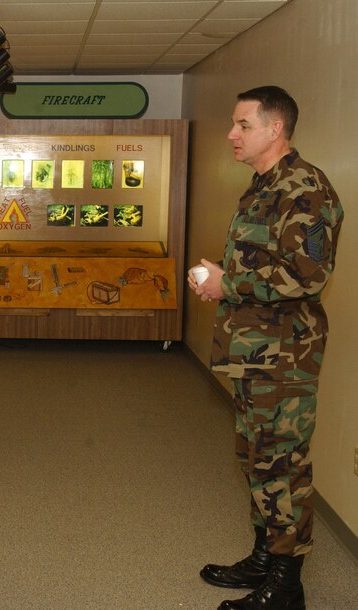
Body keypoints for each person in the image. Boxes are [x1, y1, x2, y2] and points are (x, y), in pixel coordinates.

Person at [188, 86, 343, 610]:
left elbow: (307, 275)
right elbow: (264, 263)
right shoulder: (263, 187)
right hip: (255, 355)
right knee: (257, 460)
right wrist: (221, 276)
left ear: (275, 128)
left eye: (242, 125)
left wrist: (225, 282)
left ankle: (286, 585)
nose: (232, 134)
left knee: (282, 465)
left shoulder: (306, 190)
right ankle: (264, 558)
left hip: (284, 358)